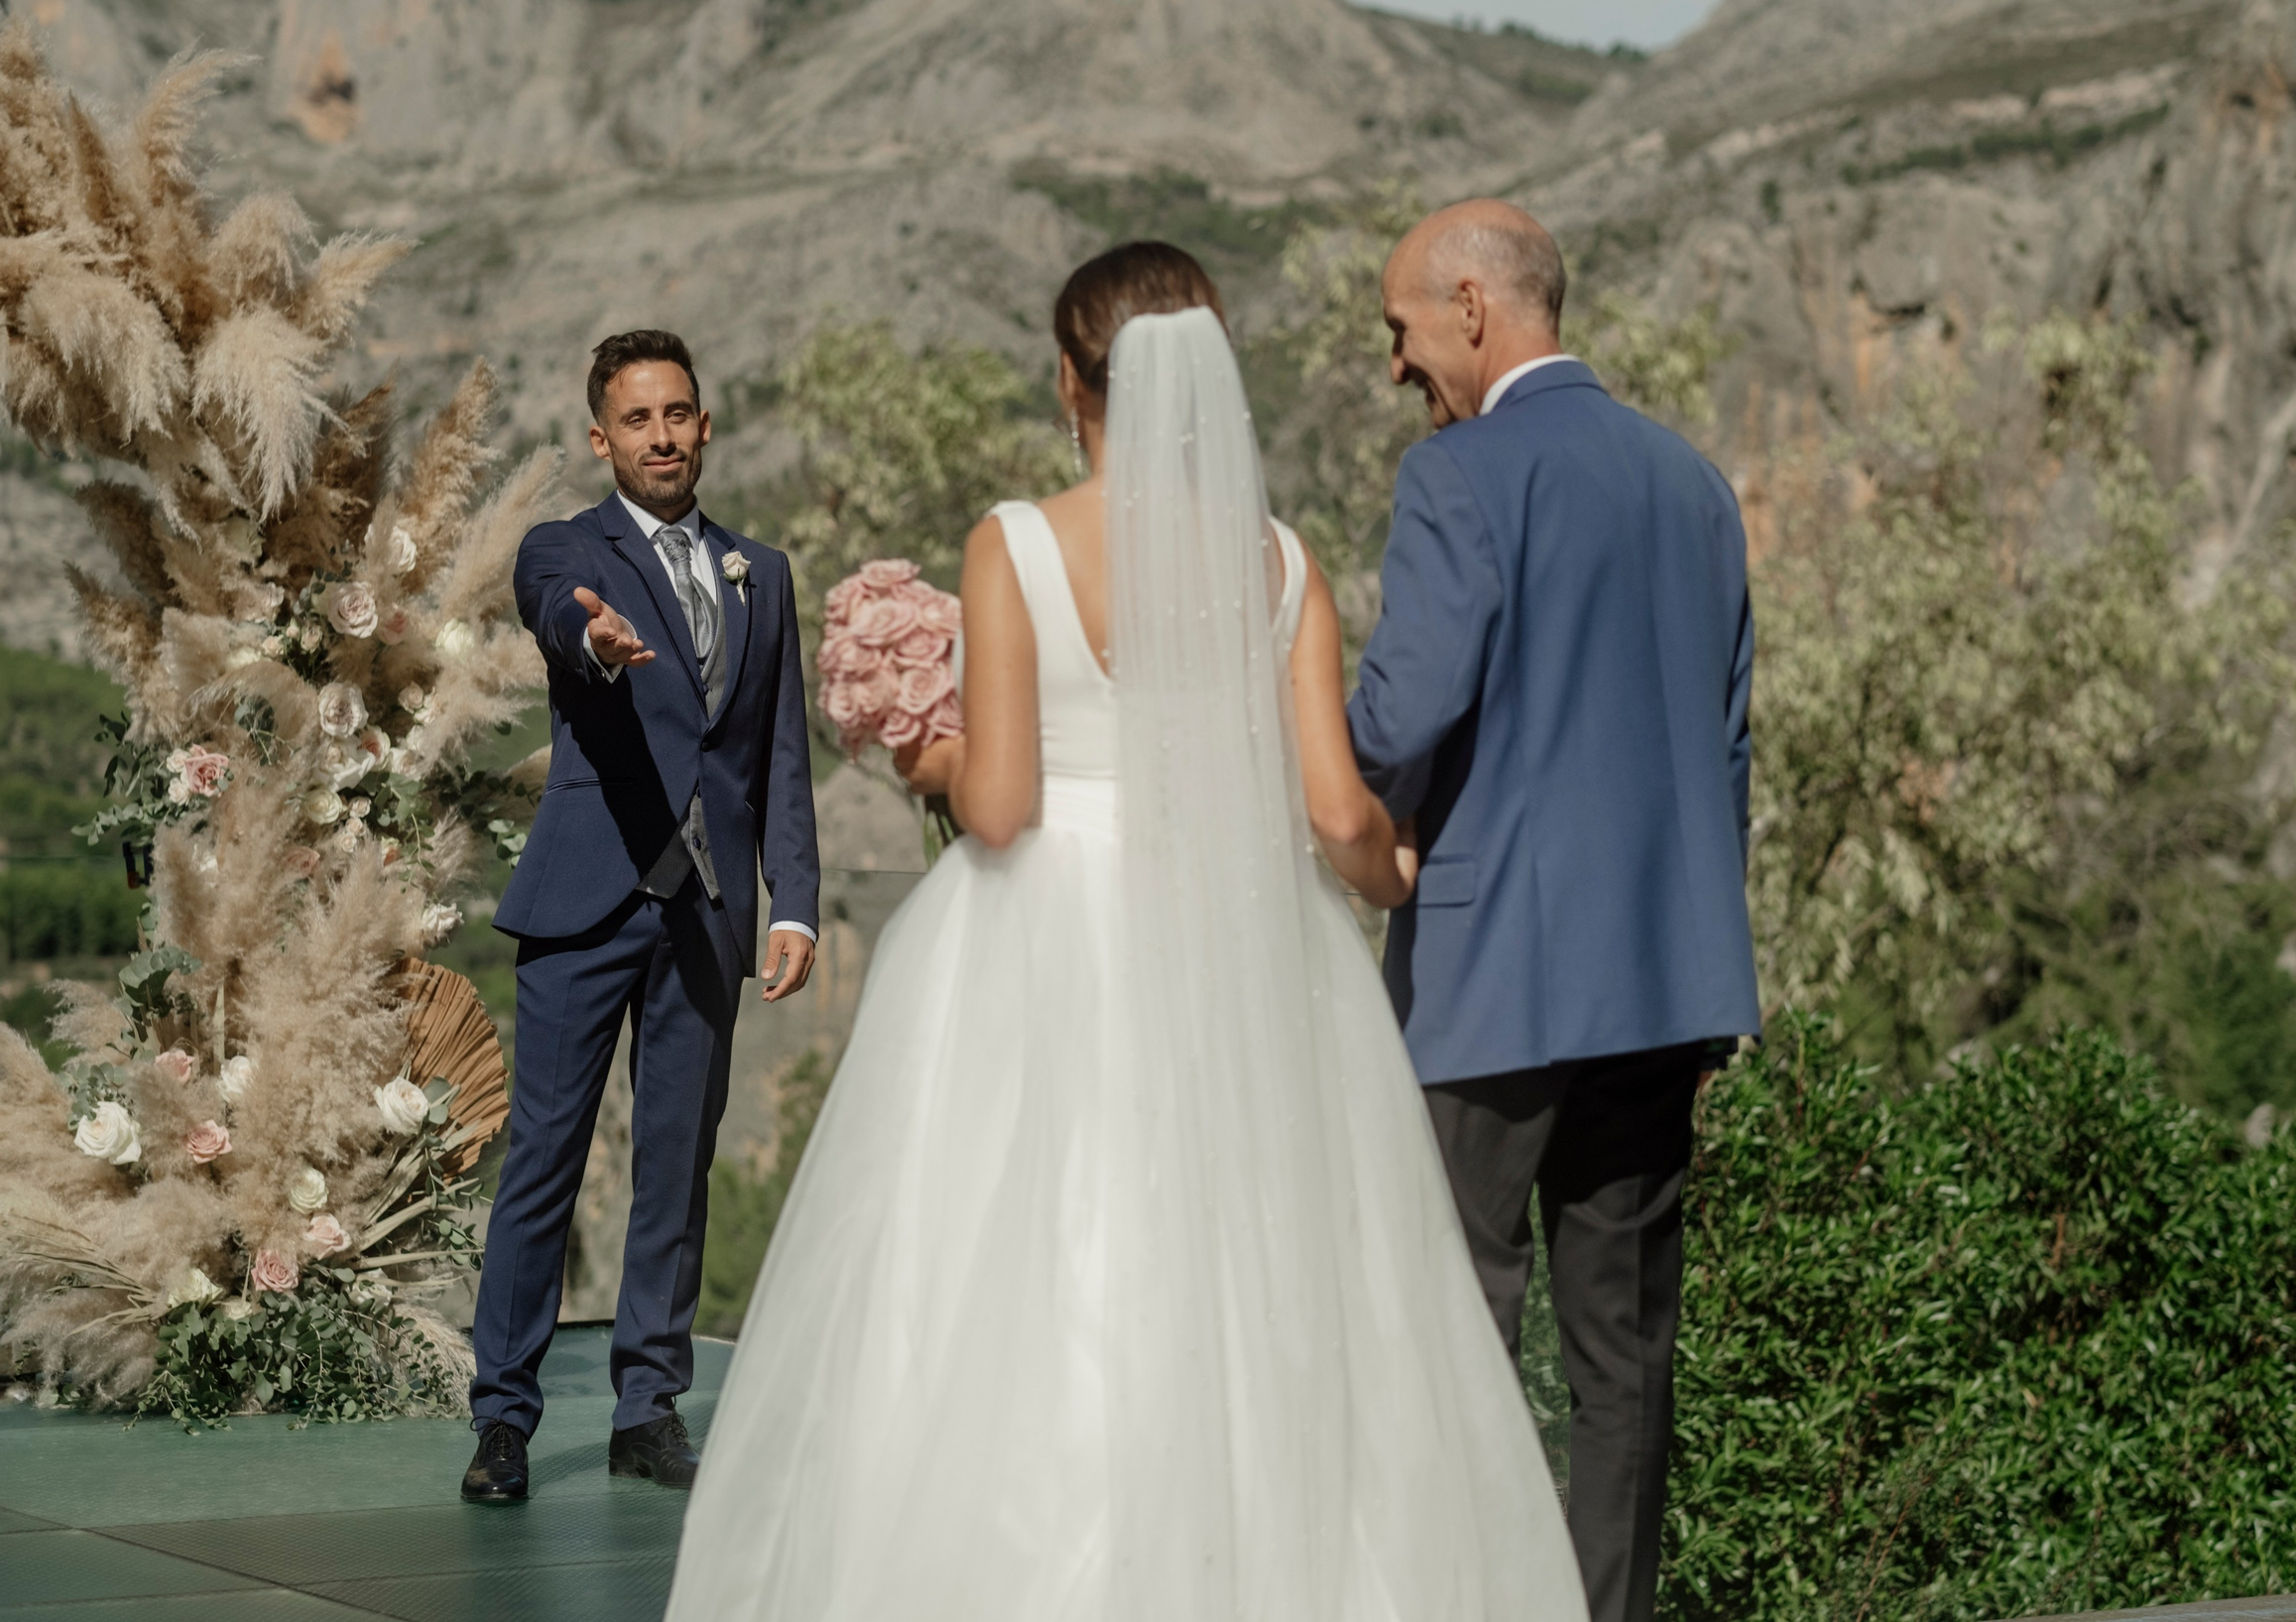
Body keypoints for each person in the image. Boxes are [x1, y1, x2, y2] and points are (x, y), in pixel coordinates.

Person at [662, 245, 1586, 1621]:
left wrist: (919, 756)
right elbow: (1338, 808)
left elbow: (1001, 803)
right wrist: (1392, 880)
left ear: (1069, 384)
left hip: (1046, 939)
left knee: (1030, 1275)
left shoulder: (1017, 544)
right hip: (1252, 940)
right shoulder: (1279, 563)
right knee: (1273, 1278)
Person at [1346, 200, 1760, 1622]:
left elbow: (1400, 720)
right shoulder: (1692, 482)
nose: (1397, 366)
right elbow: (1725, 745)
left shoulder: (1458, 477)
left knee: (1451, 1332)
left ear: (1472, 304)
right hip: (1660, 982)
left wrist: (1304, 751)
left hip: (1488, 981)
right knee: (1625, 1355)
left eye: (1402, 328)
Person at [458, 329, 821, 1504]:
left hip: (710, 914)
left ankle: (646, 1406)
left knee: (677, 1165)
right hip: (585, 901)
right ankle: (504, 1417)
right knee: (543, 1163)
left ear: (704, 425)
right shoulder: (570, 547)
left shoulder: (760, 572)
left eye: (678, 414)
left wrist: (796, 903)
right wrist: (594, 636)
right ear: (601, 436)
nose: (660, 436)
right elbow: (548, 605)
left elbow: (777, 757)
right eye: (637, 419)